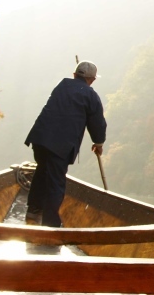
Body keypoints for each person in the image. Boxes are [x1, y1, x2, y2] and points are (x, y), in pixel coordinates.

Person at [23, 61, 107, 227]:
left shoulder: (62, 85)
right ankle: (51, 224)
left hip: (40, 138)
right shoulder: (91, 96)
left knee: (42, 172)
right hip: (60, 145)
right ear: (92, 79)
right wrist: (98, 143)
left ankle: (33, 211)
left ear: (75, 74)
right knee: (55, 181)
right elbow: (97, 123)